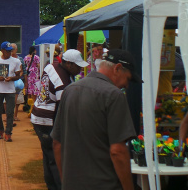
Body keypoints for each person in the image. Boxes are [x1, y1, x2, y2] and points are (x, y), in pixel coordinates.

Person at [52, 49, 140, 190]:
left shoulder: (70, 90)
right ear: (117, 68)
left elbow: (57, 143)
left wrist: (65, 182)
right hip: (105, 184)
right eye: (128, 79)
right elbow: (117, 150)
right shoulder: (114, 95)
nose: (127, 85)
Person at [31, 49, 88, 190]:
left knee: (48, 156)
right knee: (57, 159)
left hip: (38, 115)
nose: (80, 69)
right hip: (48, 120)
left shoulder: (52, 65)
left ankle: (51, 185)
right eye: (77, 66)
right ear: (68, 64)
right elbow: (63, 111)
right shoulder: (62, 84)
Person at [0, 41, 22, 142]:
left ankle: (8, 133)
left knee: (10, 112)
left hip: (10, 90)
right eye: (7, 51)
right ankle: (0, 130)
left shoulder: (15, 61)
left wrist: (11, 78)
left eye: (10, 51)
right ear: (2, 51)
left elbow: (18, 75)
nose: (9, 53)